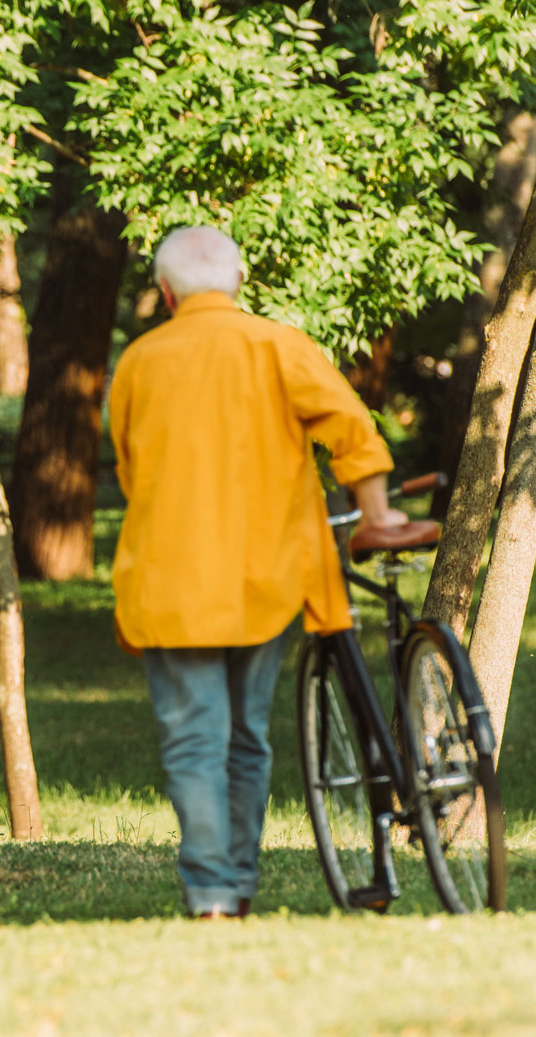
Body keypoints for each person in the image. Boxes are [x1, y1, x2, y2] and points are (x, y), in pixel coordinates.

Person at [107, 226, 408, 918]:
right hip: (267, 577)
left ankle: (213, 895)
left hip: (171, 580)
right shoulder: (279, 345)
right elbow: (351, 429)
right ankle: (235, 886)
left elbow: (129, 470)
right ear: (238, 283)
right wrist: (376, 511)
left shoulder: (140, 362)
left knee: (195, 740)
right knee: (247, 735)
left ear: (166, 292)